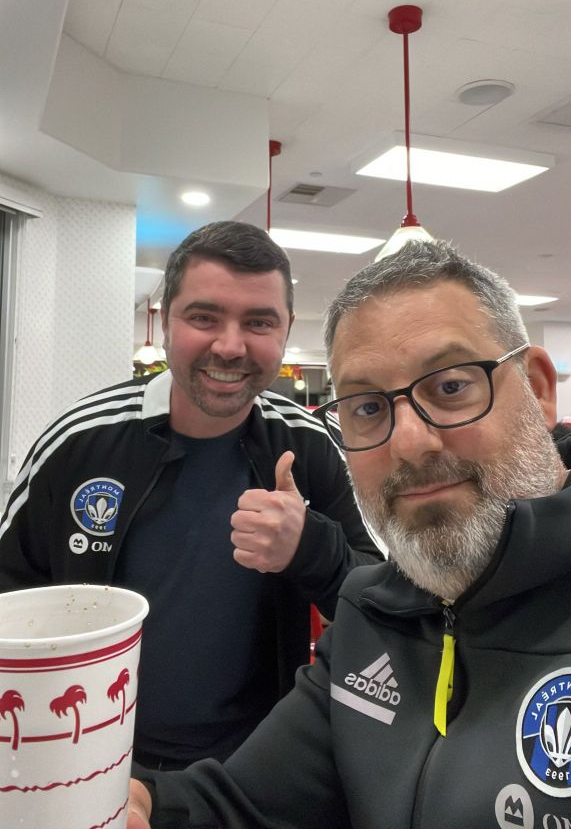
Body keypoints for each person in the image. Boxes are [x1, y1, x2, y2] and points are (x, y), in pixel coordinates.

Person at [127, 238, 571, 828]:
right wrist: (146, 806)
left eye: (450, 387)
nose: (409, 443)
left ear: (538, 389)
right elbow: (246, 807)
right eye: (367, 407)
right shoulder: (373, 616)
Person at [0, 220, 382, 772]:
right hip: (92, 758)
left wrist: (308, 546)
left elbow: (379, 601)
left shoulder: (308, 445)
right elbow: (9, 597)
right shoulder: (82, 442)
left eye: (259, 322)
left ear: (286, 330)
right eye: (204, 317)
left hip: (254, 768)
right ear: (165, 321)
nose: (230, 346)